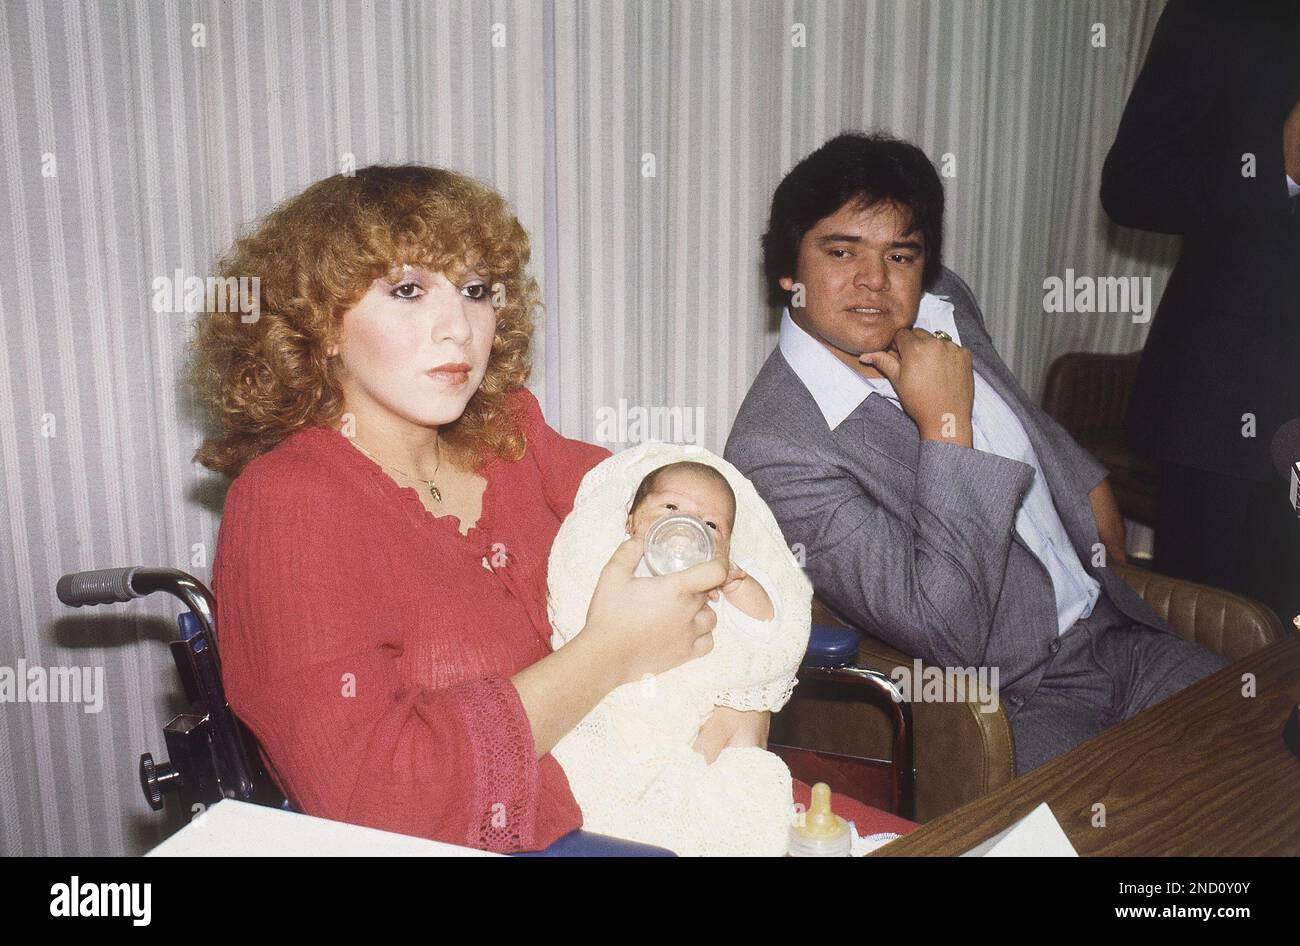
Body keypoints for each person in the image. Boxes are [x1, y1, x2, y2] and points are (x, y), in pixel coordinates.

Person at [192, 163, 912, 853]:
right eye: (408, 292)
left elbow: (714, 515)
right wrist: (610, 652)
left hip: (667, 793)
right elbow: (373, 798)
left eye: (476, 291)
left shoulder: (510, 435)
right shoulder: (287, 507)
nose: (458, 329)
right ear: (316, 322)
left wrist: (746, 692)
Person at [724, 133, 1231, 776]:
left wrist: (1088, 485)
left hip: (1121, 635)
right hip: (1017, 701)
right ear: (787, 269)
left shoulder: (944, 304)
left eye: (900, 255)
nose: (875, 281)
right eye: (842, 251)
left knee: (1270, 745)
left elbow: (1020, 412)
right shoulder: (776, 448)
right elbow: (945, 631)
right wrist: (944, 424)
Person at [1100, 0, 1300, 624]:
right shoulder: (1220, 12)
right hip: (1239, 416)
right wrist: (1282, 168)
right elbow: (1132, 184)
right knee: (1217, 669)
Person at [548, 452, 806, 856]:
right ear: (631, 521)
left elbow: (766, 627)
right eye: (670, 507)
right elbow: (583, 618)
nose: (685, 527)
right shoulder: (617, 565)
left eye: (711, 525)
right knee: (589, 770)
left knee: (737, 800)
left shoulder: (717, 587)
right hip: (618, 716)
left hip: (695, 729)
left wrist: (736, 582)